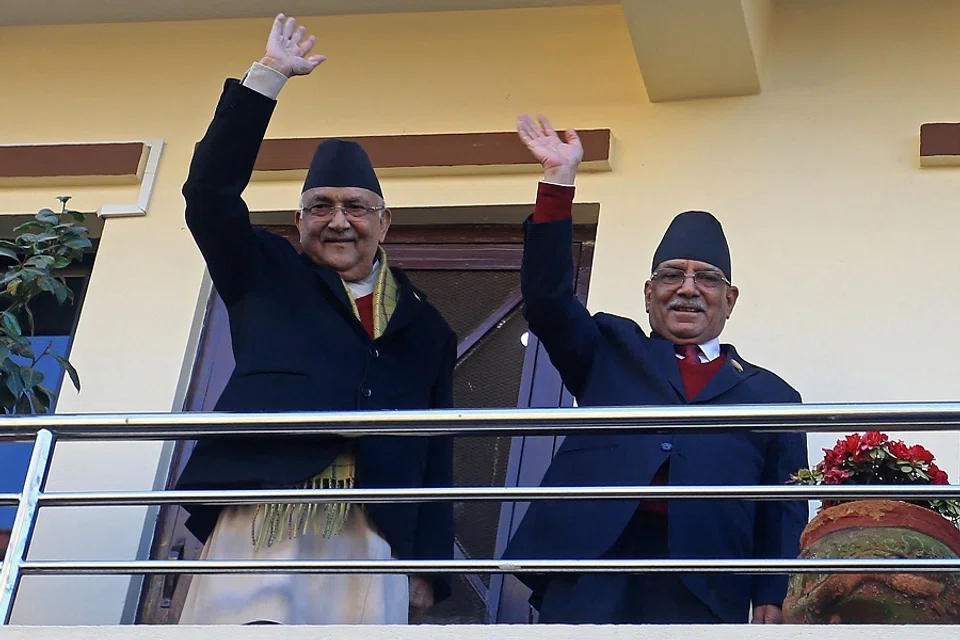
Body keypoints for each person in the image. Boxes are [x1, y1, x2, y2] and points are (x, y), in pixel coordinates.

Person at [174, 14, 456, 625]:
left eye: (356, 208)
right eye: (319, 207)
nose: (338, 221)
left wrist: (430, 566)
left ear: (385, 224)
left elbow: (435, 446)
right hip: (263, 507)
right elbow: (209, 195)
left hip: (372, 521)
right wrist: (268, 77)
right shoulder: (265, 271)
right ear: (298, 225)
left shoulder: (427, 326)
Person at [501, 114, 809, 624]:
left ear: (729, 300)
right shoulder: (608, 348)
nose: (688, 288)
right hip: (591, 569)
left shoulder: (773, 395)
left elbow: (781, 509)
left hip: (704, 584)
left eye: (706, 278)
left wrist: (772, 598)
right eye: (671, 275)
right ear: (649, 294)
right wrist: (558, 183)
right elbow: (547, 299)